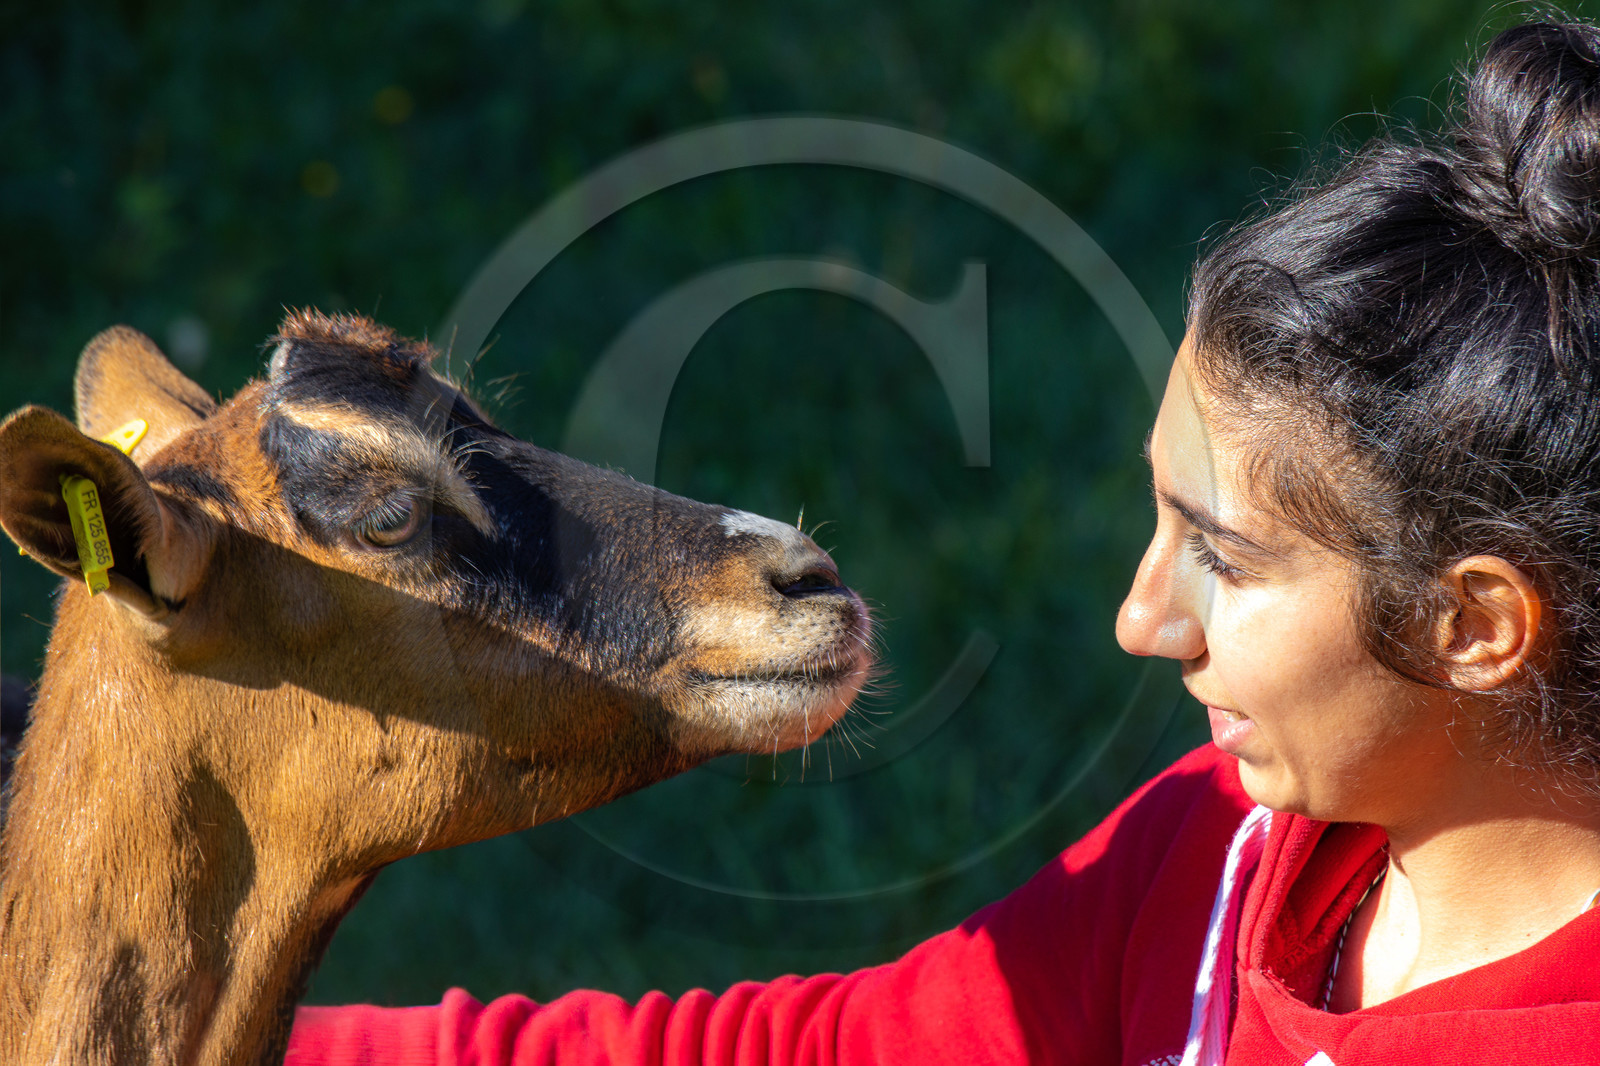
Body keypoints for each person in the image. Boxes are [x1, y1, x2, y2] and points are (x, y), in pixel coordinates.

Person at [286, 18, 1600, 1065]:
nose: (1144, 620)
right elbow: (829, 1050)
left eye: (1227, 555)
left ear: (1472, 624)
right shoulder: (1217, 860)